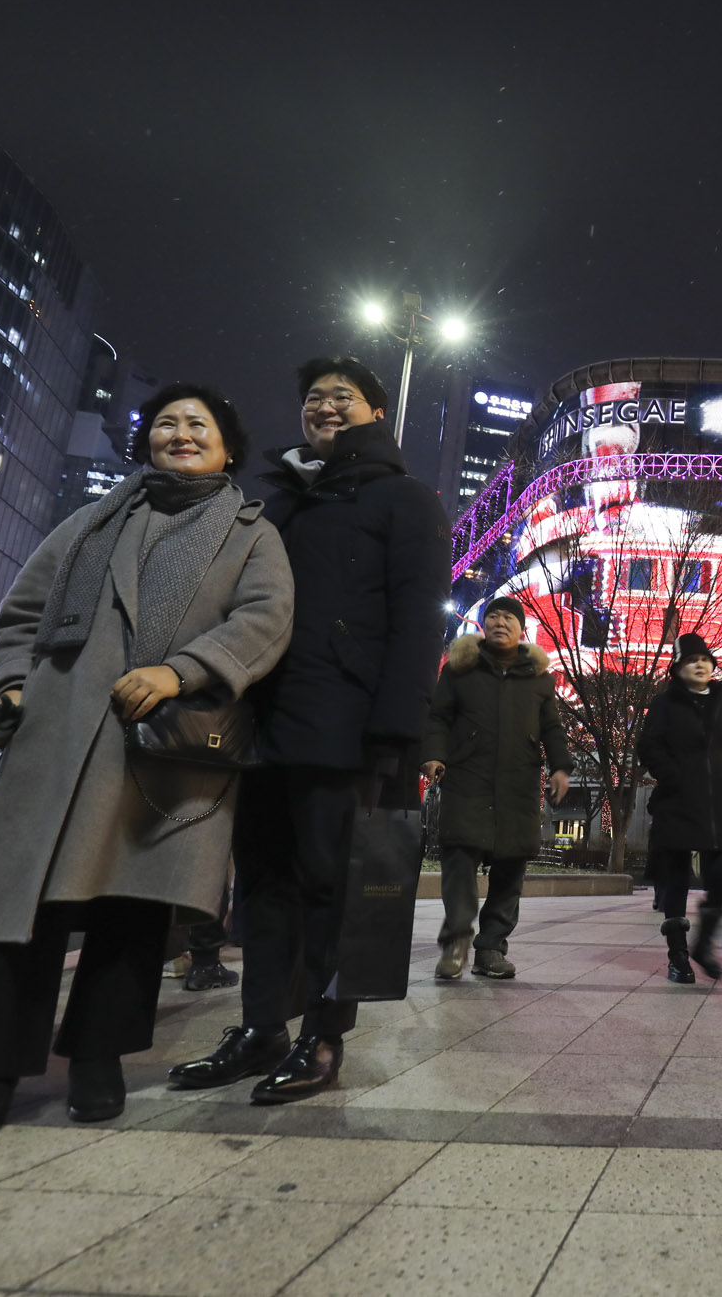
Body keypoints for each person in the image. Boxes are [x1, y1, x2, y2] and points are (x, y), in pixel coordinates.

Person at [0, 386, 293, 1156]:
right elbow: (23, 611)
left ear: (229, 448)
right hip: (59, 736)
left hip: (166, 743)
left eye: (199, 424)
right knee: (23, 910)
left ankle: (97, 1057)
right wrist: (13, 680)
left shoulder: (252, 534)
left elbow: (263, 620)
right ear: (146, 442)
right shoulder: (90, 521)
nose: (181, 434)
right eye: (166, 423)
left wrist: (182, 670)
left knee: (134, 910)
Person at [169, 356, 447, 1104]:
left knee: (335, 887)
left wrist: (399, 730)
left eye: (342, 397)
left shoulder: (406, 500)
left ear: (376, 414)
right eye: (315, 399)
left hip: (349, 724)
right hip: (261, 723)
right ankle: (263, 1026)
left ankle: (325, 1038)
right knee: (261, 883)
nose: (325, 407)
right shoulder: (272, 505)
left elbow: (420, 622)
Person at [422, 596, 573, 981]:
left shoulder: (538, 677)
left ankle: (490, 949)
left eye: (509, 617)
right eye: (493, 616)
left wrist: (560, 767)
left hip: (518, 783)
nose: (500, 622)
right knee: (459, 862)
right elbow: (438, 717)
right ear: (482, 625)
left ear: (522, 629)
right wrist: (435, 755)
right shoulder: (459, 669)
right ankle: (456, 940)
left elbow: (552, 727)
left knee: (511, 870)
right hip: (467, 779)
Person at [637, 633, 722, 983]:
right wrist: (674, 775)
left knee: (721, 876)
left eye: (705, 659)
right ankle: (679, 956)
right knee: (677, 881)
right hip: (678, 801)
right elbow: (649, 746)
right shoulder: (664, 705)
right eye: (691, 660)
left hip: (718, 803)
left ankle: (703, 945)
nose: (700, 665)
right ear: (678, 668)